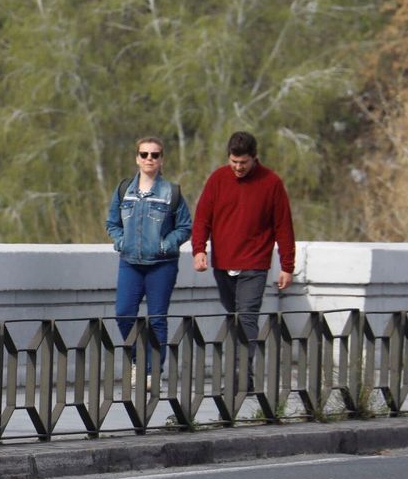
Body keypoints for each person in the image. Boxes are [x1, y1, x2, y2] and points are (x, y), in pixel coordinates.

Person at [189, 131, 295, 390]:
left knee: (247, 317)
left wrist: (287, 266)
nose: (238, 167)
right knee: (234, 316)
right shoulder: (217, 179)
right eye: (233, 162)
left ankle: (241, 378)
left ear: (254, 158)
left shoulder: (271, 183)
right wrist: (199, 249)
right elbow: (203, 217)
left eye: (243, 163)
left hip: (255, 263)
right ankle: (241, 373)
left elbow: (283, 227)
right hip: (223, 263)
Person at [106, 136, 192, 379]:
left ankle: (153, 372)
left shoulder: (171, 192)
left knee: (157, 319)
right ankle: (138, 361)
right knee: (123, 313)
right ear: (137, 158)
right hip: (130, 262)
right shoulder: (124, 190)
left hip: (161, 265)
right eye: (144, 154)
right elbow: (112, 223)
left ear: (162, 159)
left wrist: (167, 244)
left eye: (154, 155)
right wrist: (121, 241)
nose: (149, 159)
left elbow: (185, 227)